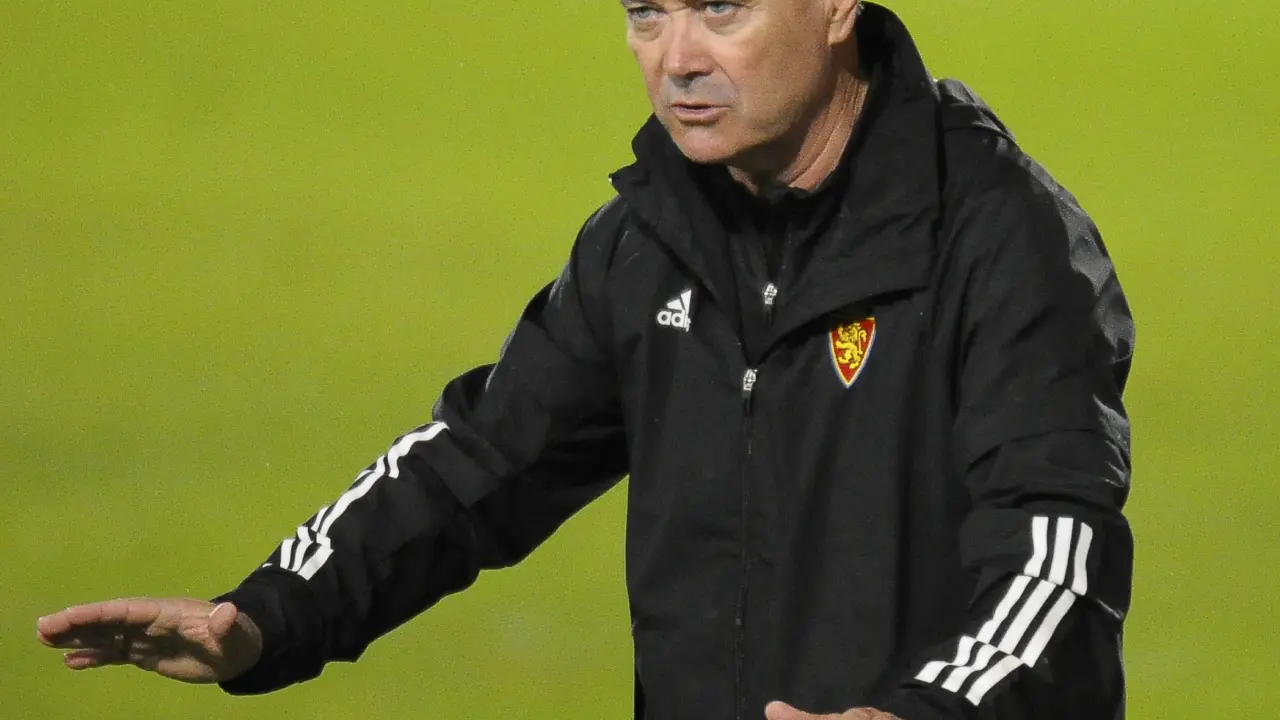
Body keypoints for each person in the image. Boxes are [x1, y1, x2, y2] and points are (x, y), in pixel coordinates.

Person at [36, 2, 1136, 718]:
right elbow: (477, 462)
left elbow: (1056, 555)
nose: (676, 60)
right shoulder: (650, 241)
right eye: (645, 13)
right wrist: (267, 617)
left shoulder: (998, 238)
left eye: (722, 9)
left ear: (839, 9)